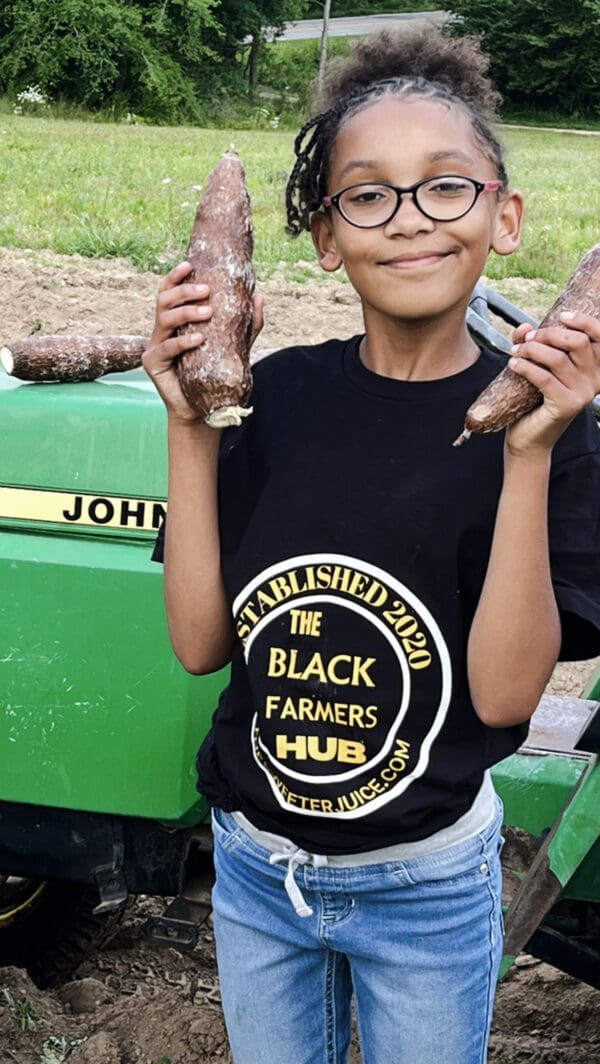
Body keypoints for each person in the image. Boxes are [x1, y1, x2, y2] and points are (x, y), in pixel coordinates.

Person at [143, 28, 600, 1064]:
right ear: (324, 233)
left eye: (445, 187)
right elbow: (200, 643)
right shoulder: (277, 399)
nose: (409, 221)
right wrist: (186, 423)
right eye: (368, 194)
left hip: (428, 882)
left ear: (505, 214)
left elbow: (501, 698)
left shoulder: (558, 436)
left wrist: (528, 456)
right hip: (260, 871)